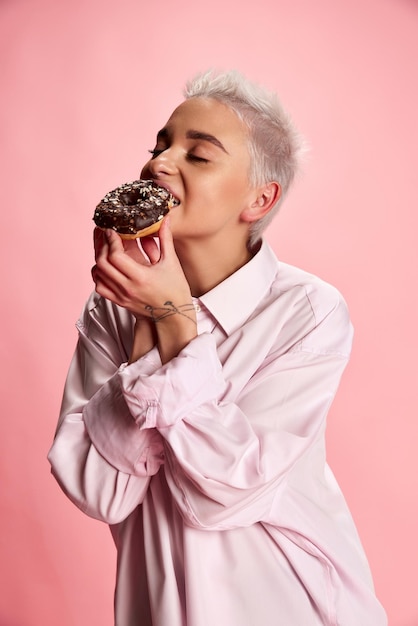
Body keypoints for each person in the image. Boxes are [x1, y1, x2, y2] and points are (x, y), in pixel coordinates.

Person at [48, 69, 387, 626]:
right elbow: (101, 491)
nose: (159, 163)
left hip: (288, 603)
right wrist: (144, 322)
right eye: (159, 145)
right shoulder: (111, 305)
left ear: (259, 199)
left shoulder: (306, 313)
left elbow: (225, 495)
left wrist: (172, 317)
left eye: (198, 156)